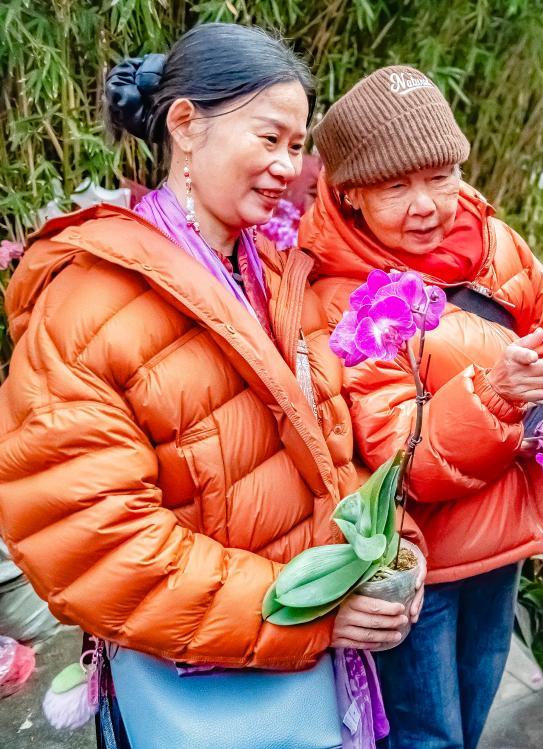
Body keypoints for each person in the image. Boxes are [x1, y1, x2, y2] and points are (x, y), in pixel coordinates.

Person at [0, 23, 420, 746]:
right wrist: (306, 609)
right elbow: (99, 543)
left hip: (305, 667)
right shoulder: (88, 301)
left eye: (296, 145)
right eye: (268, 137)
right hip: (204, 684)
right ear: (186, 125)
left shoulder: (278, 276)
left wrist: (394, 552)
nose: (287, 165)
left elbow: (338, 457)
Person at [299, 65, 543, 749]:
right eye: (396, 185)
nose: (425, 204)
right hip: (423, 564)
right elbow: (404, 460)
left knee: (476, 710)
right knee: (426, 735)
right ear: (352, 193)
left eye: (439, 176)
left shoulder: (493, 242)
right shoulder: (338, 296)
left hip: (506, 539)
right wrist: (497, 396)